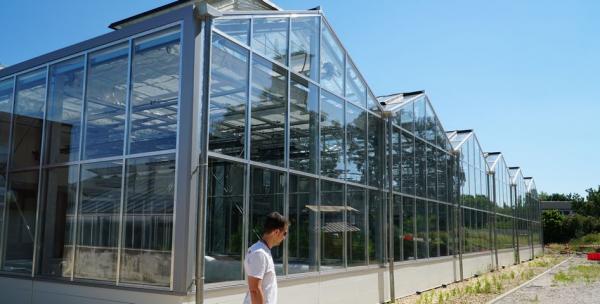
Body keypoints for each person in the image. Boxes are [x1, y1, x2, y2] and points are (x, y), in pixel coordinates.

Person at [243, 212, 289, 304]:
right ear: (276, 232)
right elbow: (255, 290)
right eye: (284, 233)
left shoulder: (263, 251)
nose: (284, 238)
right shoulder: (259, 253)